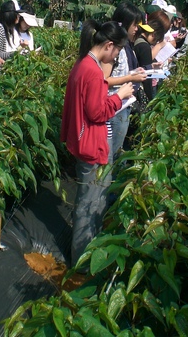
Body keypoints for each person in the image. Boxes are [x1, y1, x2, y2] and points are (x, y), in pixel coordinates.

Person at [61, 20, 134, 267]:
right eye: (117, 51)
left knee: (91, 199)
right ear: (109, 45)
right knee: (89, 203)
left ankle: (85, 254)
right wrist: (119, 97)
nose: (115, 57)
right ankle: (81, 262)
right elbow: (96, 113)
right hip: (92, 145)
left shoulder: (83, 64)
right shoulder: (92, 71)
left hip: (85, 141)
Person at [102, 2, 148, 164]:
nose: (137, 29)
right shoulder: (113, 46)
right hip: (115, 108)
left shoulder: (127, 45)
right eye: (135, 25)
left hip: (123, 105)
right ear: (124, 22)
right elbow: (103, 81)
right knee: (111, 157)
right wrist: (130, 79)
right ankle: (105, 188)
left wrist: (140, 72)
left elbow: (122, 71)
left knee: (116, 153)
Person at [134, 11, 169, 101]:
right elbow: (147, 74)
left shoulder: (137, 40)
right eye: (156, 40)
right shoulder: (145, 47)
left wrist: (152, 66)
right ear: (153, 35)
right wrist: (149, 97)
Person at [0, 0, 22, 80]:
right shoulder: (0, 30)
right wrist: (14, 54)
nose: (19, 16)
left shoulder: (9, 30)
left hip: (4, 72)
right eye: (17, 14)